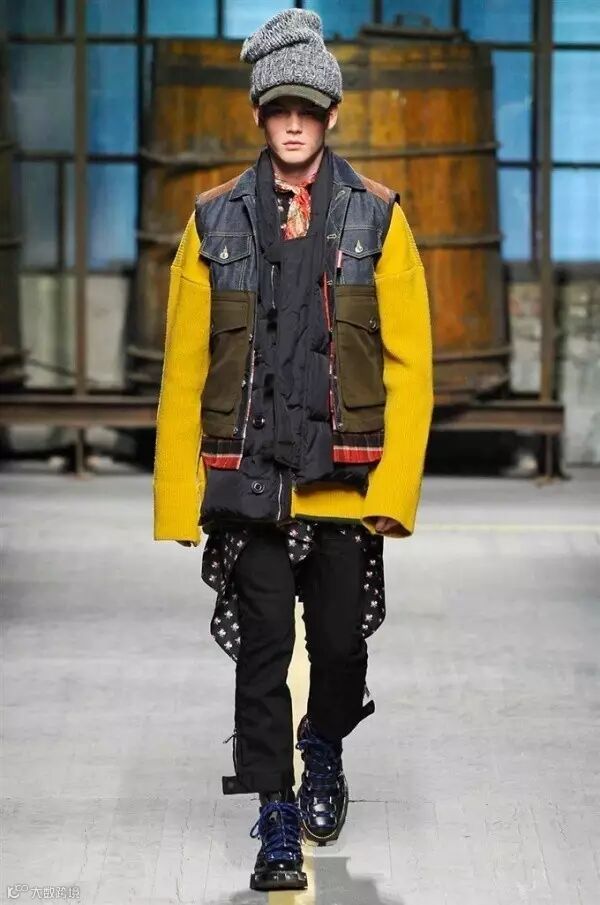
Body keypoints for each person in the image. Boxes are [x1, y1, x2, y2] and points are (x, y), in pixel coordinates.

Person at [153, 8, 434, 893]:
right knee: (264, 651)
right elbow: (184, 367)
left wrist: (394, 490)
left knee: (341, 649)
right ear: (260, 114)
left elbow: (411, 363)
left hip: (345, 480)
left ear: (332, 114)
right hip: (250, 478)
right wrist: (177, 498)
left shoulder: (377, 216)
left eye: (308, 109)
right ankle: (274, 809)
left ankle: (325, 742)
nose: (294, 124)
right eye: (280, 108)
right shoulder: (213, 220)